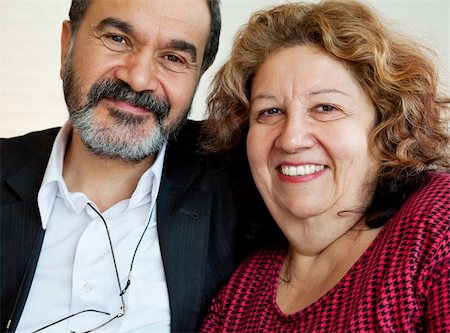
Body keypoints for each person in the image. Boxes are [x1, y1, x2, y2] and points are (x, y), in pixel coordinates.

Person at [0, 0, 269, 332]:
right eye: (117, 39)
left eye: (173, 58)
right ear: (66, 45)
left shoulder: (243, 180)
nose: (139, 79)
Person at [199, 0, 450, 332]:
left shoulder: (437, 223)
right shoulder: (238, 296)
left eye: (326, 107)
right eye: (270, 111)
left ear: (387, 126)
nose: (291, 139)